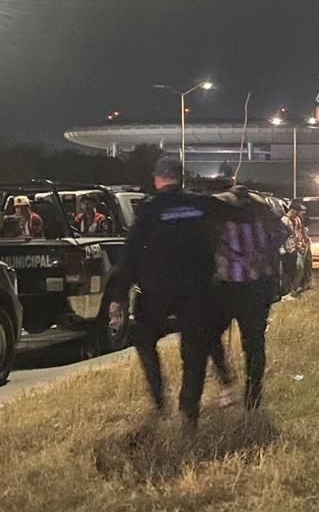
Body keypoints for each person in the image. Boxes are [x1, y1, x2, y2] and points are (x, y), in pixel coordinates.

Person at [111, 157, 240, 434]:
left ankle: (160, 401)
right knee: (194, 353)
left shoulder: (148, 209)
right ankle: (188, 412)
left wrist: (119, 294)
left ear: (158, 178)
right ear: (181, 178)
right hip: (198, 291)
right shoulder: (200, 204)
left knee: (144, 339)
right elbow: (229, 215)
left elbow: (131, 252)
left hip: (156, 291)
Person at [213, 186, 290, 410]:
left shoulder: (235, 214)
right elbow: (283, 232)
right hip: (250, 287)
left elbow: (216, 243)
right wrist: (262, 254)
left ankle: (242, 389)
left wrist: (243, 258)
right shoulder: (261, 213)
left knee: (241, 341)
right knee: (254, 344)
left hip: (234, 287)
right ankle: (251, 394)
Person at [279, 202, 306, 296]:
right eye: (297, 213)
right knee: (287, 272)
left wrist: (298, 246)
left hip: (293, 249)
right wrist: (283, 251)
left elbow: (295, 235)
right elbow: (282, 238)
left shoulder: (294, 220)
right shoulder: (284, 221)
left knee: (295, 269)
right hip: (287, 251)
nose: (297, 216)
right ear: (293, 211)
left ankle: (292, 290)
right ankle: (287, 292)